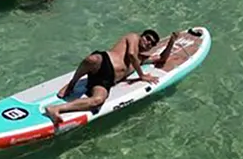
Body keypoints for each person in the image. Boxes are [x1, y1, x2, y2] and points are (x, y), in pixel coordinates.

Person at [44, 29, 178, 125]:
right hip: (104, 61)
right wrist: (141, 75)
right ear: (141, 36)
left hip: (106, 80)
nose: (149, 43)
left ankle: (56, 109)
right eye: (148, 38)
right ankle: (72, 84)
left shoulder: (141, 58)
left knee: (98, 100)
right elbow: (131, 54)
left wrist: (171, 42)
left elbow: (161, 59)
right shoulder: (132, 37)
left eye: (152, 43)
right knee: (92, 59)